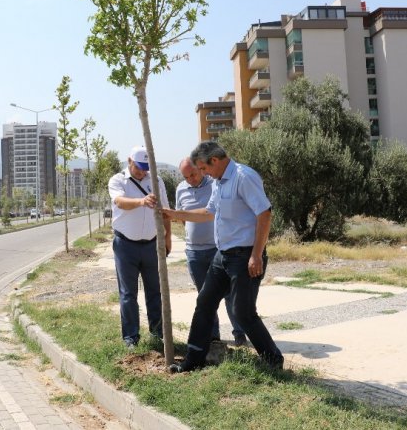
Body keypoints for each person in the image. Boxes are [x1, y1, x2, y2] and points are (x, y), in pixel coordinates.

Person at [163, 141, 284, 372]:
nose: (203, 174)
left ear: (215, 161)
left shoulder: (243, 177)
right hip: (223, 255)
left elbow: (265, 213)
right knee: (205, 302)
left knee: (242, 312)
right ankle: (193, 360)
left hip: (245, 255)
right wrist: (173, 214)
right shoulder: (218, 183)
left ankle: (273, 360)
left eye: (203, 168)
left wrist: (256, 255)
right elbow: (208, 213)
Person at [176, 157, 246, 346]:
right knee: (205, 296)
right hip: (194, 253)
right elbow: (182, 216)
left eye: (193, 174)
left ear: (200, 169)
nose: (190, 179)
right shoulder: (180, 189)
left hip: (217, 249)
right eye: (186, 176)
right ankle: (213, 336)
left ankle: (239, 332)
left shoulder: (215, 183)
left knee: (230, 293)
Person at [109, 145, 172, 349]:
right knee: (128, 294)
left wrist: (168, 236)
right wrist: (141, 201)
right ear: (129, 161)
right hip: (125, 245)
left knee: (155, 291)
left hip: (152, 245)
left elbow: (165, 210)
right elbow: (119, 202)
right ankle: (131, 338)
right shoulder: (118, 180)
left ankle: (157, 333)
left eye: (146, 168)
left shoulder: (157, 181)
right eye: (139, 167)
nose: (143, 172)